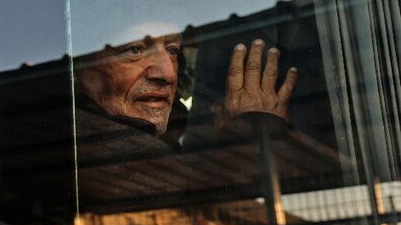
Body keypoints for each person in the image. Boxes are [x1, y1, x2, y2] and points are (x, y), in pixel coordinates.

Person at [76, 22, 298, 150]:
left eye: (172, 51)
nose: (169, 74)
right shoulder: (81, 145)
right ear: (79, 68)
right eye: (135, 50)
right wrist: (251, 135)